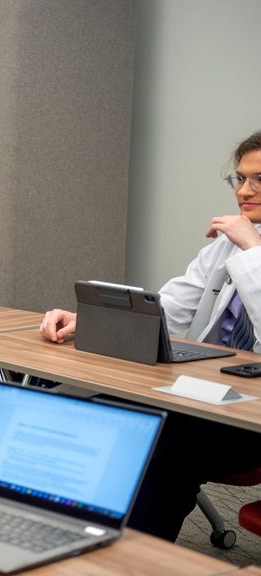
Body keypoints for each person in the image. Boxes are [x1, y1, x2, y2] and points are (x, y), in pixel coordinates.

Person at [39, 129, 261, 541]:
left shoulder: (246, 243)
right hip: (210, 398)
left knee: (164, 443)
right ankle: (58, 537)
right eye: (240, 179)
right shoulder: (228, 244)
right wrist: (88, 321)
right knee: (93, 409)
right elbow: (169, 309)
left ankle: (134, 561)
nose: (244, 191)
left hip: (251, 421)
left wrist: (253, 253)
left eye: (259, 179)